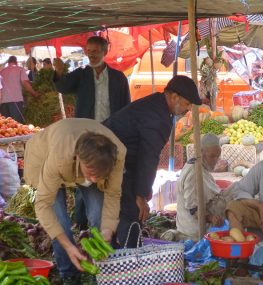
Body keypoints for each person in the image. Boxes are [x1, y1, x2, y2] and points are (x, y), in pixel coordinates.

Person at [103, 75, 201, 248]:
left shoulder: (156, 105)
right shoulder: (159, 118)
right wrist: (141, 195)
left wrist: (142, 193)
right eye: (187, 103)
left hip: (115, 160)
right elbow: (148, 157)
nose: (189, 108)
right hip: (109, 161)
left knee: (120, 212)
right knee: (132, 213)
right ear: (174, 97)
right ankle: (128, 261)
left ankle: (115, 255)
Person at [24, 118, 126, 284]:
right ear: (79, 158)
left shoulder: (117, 155)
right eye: (91, 173)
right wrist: (69, 247)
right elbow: (43, 205)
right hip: (46, 154)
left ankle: (102, 273)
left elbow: (113, 195)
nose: (93, 179)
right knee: (59, 219)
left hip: (91, 157)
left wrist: (107, 231)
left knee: (98, 213)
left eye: (99, 176)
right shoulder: (59, 156)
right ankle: (69, 274)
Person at [53, 36, 130, 231]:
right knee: (84, 177)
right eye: (89, 51)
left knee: (103, 176)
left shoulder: (118, 78)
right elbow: (62, 87)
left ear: (105, 52)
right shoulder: (81, 75)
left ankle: (100, 218)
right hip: (86, 135)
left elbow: (126, 108)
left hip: (110, 135)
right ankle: (81, 219)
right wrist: (59, 72)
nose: (92, 54)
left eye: (96, 51)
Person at [175, 134, 226, 241]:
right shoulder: (194, 171)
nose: (216, 160)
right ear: (201, 152)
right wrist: (211, 218)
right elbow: (193, 208)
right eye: (212, 156)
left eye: (218, 156)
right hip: (193, 234)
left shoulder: (200, 166)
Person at [0, 56, 39, 123]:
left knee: (6, 126)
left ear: (8, 62)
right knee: (17, 125)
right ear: (16, 62)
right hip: (16, 101)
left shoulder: (2, 71)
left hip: (3, 102)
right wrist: (34, 93)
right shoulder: (20, 69)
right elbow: (25, 83)